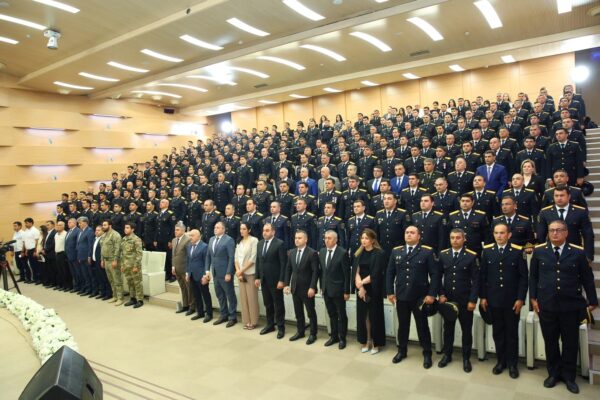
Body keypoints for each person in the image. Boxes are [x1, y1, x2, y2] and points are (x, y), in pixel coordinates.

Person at [529, 220, 598, 394]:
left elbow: (587, 278)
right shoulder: (539, 251)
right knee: (550, 341)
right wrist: (533, 299)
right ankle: (553, 373)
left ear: (566, 233)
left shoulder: (578, 252)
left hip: (571, 305)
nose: (555, 233)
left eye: (559, 230)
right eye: (552, 230)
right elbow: (533, 277)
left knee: (570, 342)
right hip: (547, 305)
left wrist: (593, 301)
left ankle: (569, 376)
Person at [386, 225, 440, 368]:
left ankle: (427, 353)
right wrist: (390, 292)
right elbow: (390, 273)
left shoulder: (427, 252)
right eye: (407, 232)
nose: (409, 235)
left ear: (419, 236)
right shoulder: (396, 251)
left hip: (420, 297)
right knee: (403, 326)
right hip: (402, 295)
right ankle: (401, 351)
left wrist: (431, 294)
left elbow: (435, 274)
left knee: (422, 327)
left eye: (412, 233)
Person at [480, 222, 528, 379]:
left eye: (502, 233)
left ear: (509, 235)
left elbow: (523, 278)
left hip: (512, 301)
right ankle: (501, 361)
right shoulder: (487, 251)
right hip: (493, 300)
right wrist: (483, 297)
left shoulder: (517, 251)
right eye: (496, 233)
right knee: (498, 333)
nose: (499, 236)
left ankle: (513, 364)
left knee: (512, 333)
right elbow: (483, 276)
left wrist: (520, 298)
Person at [438, 229, 479, 372]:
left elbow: (476, 280)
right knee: (448, 329)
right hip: (448, 299)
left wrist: (473, 300)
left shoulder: (471, 256)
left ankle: (466, 358)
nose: (455, 240)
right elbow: (438, 277)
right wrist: (441, 294)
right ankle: (447, 355)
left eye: (458, 237)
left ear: (464, 239)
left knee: (466, 331)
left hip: (465, 300)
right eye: (452, 238)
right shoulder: (443, 255)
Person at [353, 228, 386, 354]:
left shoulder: (379, 253)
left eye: (366, 238)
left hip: (374, 288)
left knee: (374, 317)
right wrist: (361, 288)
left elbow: (376, 273)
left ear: (372, 240)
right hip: (361, 289)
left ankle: (376, 344)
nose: (364, 240)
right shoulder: (358, 253)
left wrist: (362, 284)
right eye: (362, 238)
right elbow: (356, 272)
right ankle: (367, 341)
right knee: (364, 317)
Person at [284, 230, 319, 345]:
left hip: (307, 289)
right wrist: (286, 284)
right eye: (295, 238)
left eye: (299, 238)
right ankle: (300, 331)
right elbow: (288, 269)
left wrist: (312, 287)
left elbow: (315, 272)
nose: (297, 240)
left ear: (306, 239)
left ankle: (313, 334)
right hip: (295, 287)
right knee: (298, 312)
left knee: (310, 312)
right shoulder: (291, 252)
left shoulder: (312, 253)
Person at [254, 223, 288, 338]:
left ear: (273, 232)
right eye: (264, 230)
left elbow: (283, 264)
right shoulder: (260, 243)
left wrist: (282, 280)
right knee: (267, 304)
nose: (264, 232)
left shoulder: (279, 244)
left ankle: (281, 327)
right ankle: (270, 325)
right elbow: (258, 261)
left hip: (276, 280)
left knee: (278, 304)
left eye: (267, 230)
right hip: (264, 280)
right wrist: (257, 277)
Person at [319, 230, 351, 350]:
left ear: (336, 240)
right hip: (326, 290)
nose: (327, 240)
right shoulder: (322, 251)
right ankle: (334, 336)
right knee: (331, 314)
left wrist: (346, 291)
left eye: (329, 238)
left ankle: (342, 338)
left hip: (339, 290)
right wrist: (321, 287)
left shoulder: (342, 253)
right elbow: (322, 272)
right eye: (325, 238)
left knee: (341, 315)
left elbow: (347, 275)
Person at [206, 221, 237, 327]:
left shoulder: (228, 240)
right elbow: (208, 256)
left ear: (223, 229)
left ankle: (233, 317)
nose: (215, 229)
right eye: (215, 227)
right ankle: (224, 315)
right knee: (220, 295)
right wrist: (207, 271)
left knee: (230, 295)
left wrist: (229, 272)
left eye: (218, 227)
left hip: (225, 273)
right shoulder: (211, 239)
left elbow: (231, 258)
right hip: (215, 272)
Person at [235, 222, 259, 329]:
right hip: (240, 274)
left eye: (244, 229)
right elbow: (236, 258)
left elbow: (253, 258)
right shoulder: (239, 241)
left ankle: (253, 321)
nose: (242, 231)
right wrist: (238, 271)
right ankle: (246, 320)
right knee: (243, 298)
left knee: (251, 298)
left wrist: (242, 270)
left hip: (250, 273)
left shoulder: (254, 240)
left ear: (249, 230)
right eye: (241, 229)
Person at [186, 229, 212, 322]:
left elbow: (206, 262)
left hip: (201, 276)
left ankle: (209, 314)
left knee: (205, 295)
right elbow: (188, 261)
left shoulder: (204, 246)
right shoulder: (189, 246)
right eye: (189, 235)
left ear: (198, 236)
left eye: (192, 235)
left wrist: (205, 275)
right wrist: (187, 273)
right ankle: (200, 312)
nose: (190, 237)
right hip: (192, 274)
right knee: (196, 295)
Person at [119, 222, 144, 308]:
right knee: (130, 283)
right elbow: (122, 254)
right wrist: (122, 265)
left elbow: (139, 254)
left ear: (132, 229)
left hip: (134, 266)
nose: (125, 229)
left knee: (137, 283)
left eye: (127, 228)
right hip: (126, 265)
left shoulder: (136, 239)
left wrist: (136, 266)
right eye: (125, 228)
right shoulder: (124, 239)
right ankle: (133, 298)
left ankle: (140, 300)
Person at [100, 220, 124, 306]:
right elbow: (102, 248)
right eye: (102, 225)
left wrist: (115, 260)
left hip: (113, 260)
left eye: (105, 225)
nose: (103, 227)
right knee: (111, 280)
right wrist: (102, 259)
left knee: (117, 280)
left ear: (110, 225)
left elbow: (118, 249)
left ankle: (120, 298)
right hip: (106, 260)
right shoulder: (104, 235)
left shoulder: (116, 235)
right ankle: (115, 296)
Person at [172, 222, 193, 315]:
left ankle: (192, 306)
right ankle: (185, 305)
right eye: (175, 230)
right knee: (182, 288)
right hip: (177, 268)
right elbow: (173, 255)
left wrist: (188, 270)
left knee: (189, 288)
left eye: (177, 230)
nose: (175, 231)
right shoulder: (174, 240)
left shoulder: (187, 240)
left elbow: (189, 256)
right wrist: (173, 266)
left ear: (183, 231)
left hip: (185, 268)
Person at [75, 216, 95, 296]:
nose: (79, 224)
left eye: (80, 223)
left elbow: (90, 245)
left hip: (87, 256)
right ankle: (88, 289)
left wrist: (89, 256)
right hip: (81, 256)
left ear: (85, 222)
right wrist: (78, 256)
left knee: (90, 274)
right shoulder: (80, 231)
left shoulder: (89, 231)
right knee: (84, 274)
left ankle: (94, 290)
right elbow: (78, 244)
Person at [91, 225, 111, 300]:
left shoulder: (103, 239)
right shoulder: (95, 239)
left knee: (105, 278)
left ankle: (108, 293)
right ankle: (102, 293)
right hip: (95, 261)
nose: (96, 232)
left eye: (98, 230)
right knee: (99, 278)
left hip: (101, 261)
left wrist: (103, 260)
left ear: (103, 231)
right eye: (96, 230)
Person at [22, 217, 41, 284]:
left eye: (26, 223)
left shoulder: (35, 230)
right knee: (32, 265)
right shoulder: (26, 231)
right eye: (25, 223)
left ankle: (38, 279)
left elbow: (37, 241)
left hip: (33, 250)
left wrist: (35, 251)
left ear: (31, 223)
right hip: (28, 250)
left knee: (36, 265)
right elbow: (26, 241)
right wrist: (26, 250)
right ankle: (34, 278)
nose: (25, 224)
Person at [64, 218, 79, 292]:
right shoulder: (69, 231)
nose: (68, 224)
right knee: (73, 272)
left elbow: (77, 243)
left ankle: (79, 287)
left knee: (77, 272)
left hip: (74, 255)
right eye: (68, 222)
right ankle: (75, 286)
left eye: (70, 222)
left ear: (74, 223)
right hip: (68, 255)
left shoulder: (77, 231)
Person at [53, 221, 69, 291]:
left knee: (65, 270)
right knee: (59, 270)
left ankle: (67, 286)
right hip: (57, 254)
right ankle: (61, 285)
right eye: (57, 225)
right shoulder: (56, 234)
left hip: (63, 254)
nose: (58, 226)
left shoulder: (66, 234)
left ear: (63, 226)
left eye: (60, 225)